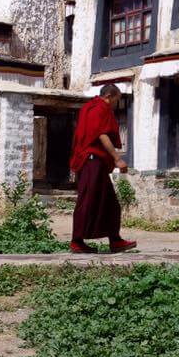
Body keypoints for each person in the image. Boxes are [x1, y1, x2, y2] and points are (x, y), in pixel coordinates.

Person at [69, 84, 137, 254]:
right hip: (92, 161)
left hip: (93, 161)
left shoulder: (89, 107)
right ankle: (77, 241)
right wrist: (117, 158)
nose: (115, 104)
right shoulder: (99, 108)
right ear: (109, 96)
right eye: (116, 100)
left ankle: (115, 240)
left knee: (108, 202)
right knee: (87, 201)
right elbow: (101, 134)